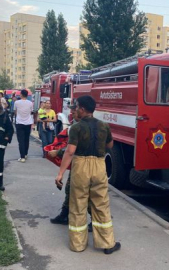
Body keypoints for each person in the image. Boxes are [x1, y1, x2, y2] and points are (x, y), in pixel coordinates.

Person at [55, 95, 121, 254]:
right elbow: (110, 144)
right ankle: (107, 243)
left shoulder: (77, 128)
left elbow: (70, 151)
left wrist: (60, 174)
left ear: (83, 109)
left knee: (78, 204)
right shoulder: (104, 126)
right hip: (99, 166)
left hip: (81, 167)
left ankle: (77, 244)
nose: (75, 109)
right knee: (101, 204)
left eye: (77, 107)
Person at [14, 89, 34, 163]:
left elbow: (15, 111)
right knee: (26, 139)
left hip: (19, 123)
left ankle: (22, 157)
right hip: (28, 122)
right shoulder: (30, 103)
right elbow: (31, 112)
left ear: (21, 94)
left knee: (21, 140)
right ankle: (25, 154)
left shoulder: (17, 102)